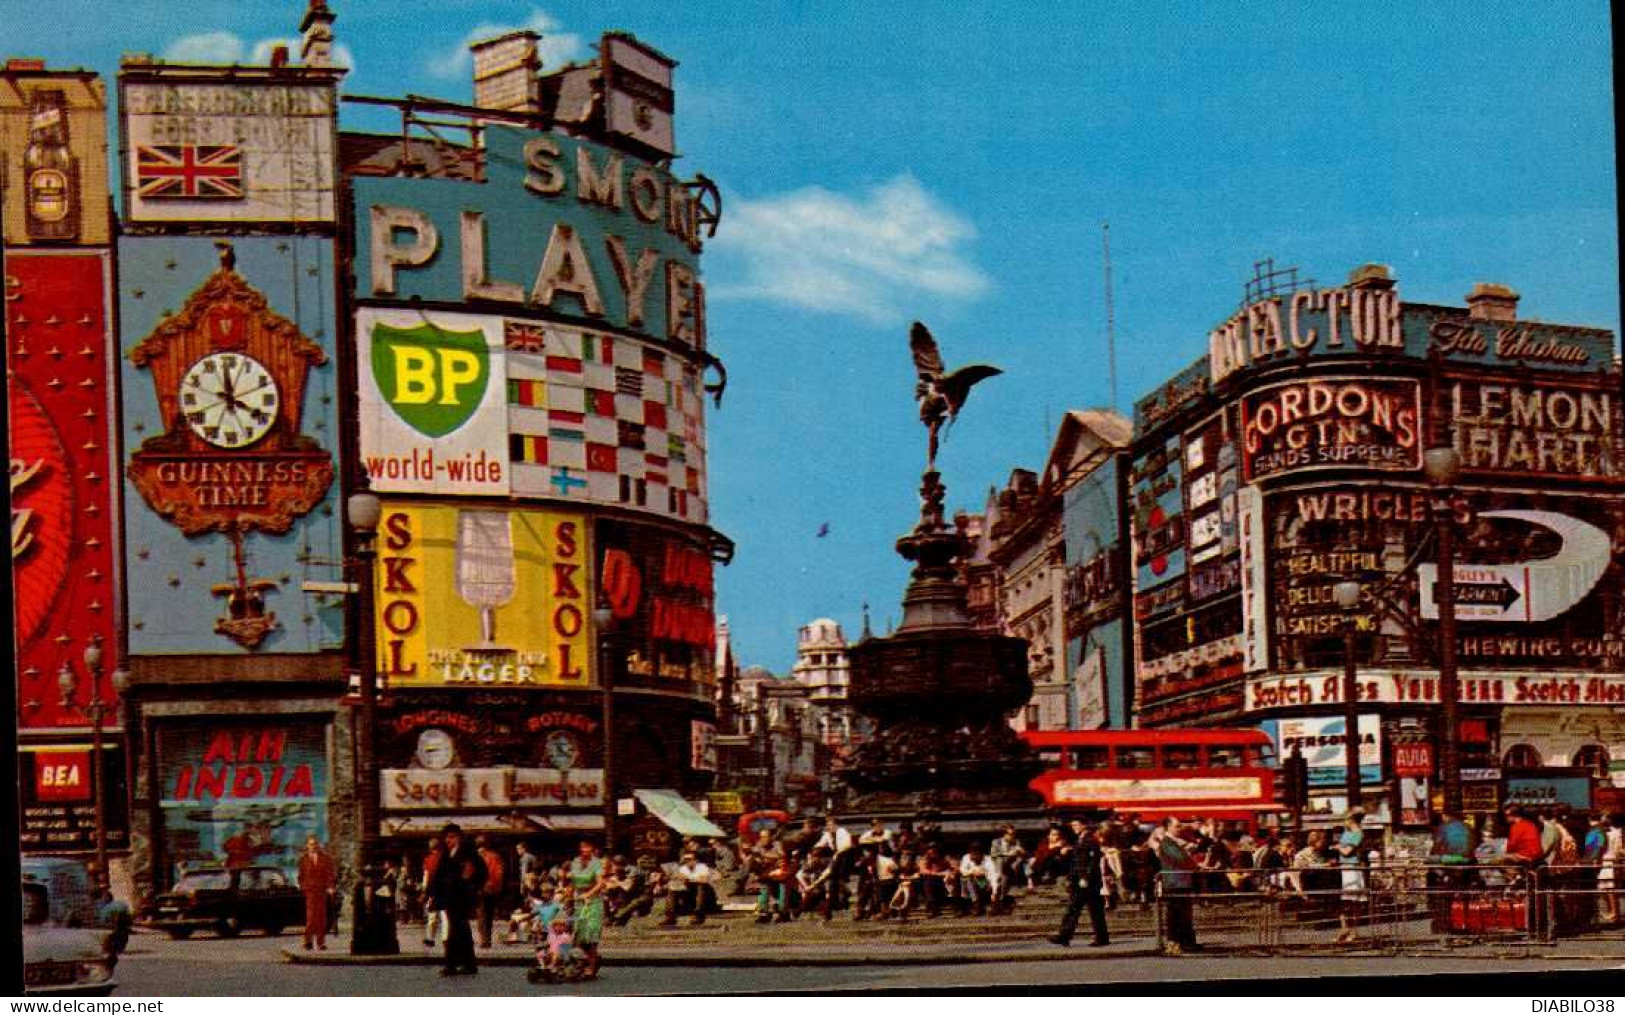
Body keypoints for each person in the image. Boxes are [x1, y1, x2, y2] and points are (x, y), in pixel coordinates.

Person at [428, 823, 484, 976]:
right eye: (446, 838)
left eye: (451, 837)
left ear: (458, 838)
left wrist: (472, 884)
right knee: (462, 931)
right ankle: (468, 964)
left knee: (455, 931)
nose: (448, 840)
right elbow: (438, 875)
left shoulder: (468, 852)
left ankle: (451, 965)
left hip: (463, 897)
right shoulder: (446, 853)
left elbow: (481, 871)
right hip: (449, 897)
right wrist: (431, 893)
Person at [1050, 820, 1108, 947]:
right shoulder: (1079, 840)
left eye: (1076, 825)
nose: (1074, 828)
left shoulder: (1091, 840)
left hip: (1088, 882)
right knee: (1079, 909)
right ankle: (1065, 936)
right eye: (1072, 826)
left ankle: (1066, 936)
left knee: (1090, 910)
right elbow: (1077, 861)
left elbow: (1093, 860)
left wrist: (1086, 877)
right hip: (1078, 881)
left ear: (1084, 825)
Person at [1154, 818, 1200, 955]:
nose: (1180, 829)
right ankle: (1174, 943)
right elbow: (1180, 859)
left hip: (1182, 881)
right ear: (1168, 827)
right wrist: (1189, 853)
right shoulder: (1167, 843)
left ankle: (1186, 942)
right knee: (1175, 915)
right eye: (1177, 826)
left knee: (1184, 914)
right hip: (1175, 882)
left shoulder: (1174, 842)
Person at [566, 840, 607, 978]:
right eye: (583, 847)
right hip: (579, 901)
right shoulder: (575, 862)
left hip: (593, 901)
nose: (585, 850)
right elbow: (571, 882)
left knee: (591, 935)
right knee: (579, 936)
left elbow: (601, 883)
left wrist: (589, 894)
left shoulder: (596, 863)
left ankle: (591, 966)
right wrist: (568, 898)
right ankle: (592, 959)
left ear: (593, 849)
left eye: (588, 847)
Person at [297, 835, 336, 952]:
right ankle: (308, 941)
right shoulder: (303, 859)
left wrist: (330, 887)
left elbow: (329, 874)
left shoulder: (325, 858)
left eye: (315, 844)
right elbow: (301, 876)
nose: (313, 846)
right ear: (307, 846)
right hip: (310, 891)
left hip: (322, 890)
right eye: (311, 844)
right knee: (311, 917)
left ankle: (321, 942)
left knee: (322, 918)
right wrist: (304, 887)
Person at [1334, 811, 1367, 944]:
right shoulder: (1347, 833)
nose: (1344, 822)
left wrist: (1337, 847)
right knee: (1346, 900)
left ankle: (1353, 931)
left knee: (1353, 900)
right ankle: (1345, 929)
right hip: (1344, 867)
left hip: (1352, 867)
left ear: (1351, 820)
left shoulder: (1357, 834)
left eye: (1346, 819)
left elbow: (1347, 851)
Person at [664, 849, 720, 926]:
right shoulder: (683, 868)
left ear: (695, 860)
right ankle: (671, 915)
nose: (687, 861)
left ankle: (698, 914)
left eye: (689, 859)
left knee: (700, 886)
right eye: (685, 859)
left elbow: (703, 880)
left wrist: (688, 879)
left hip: (706, 895)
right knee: (672, 888)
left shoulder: (702, 867)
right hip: (690, 892)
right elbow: (680, 879)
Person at [746, 829, 788, 923]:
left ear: (771, 837)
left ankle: (782, 912)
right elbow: (755, 858)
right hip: (765, 873)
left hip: (778, 872)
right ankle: (764, 913)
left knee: (782, 887)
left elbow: (781, 856)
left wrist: (765, 856)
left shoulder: (776, 844)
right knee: (764, 888)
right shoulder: (758, 845)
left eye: (766, 836)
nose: (763, 839)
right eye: (762, 837)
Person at [473, 836, 505, 948]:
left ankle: (483, 939)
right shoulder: (495, 856)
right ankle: (488, 938)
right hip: (491, 889)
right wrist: (498, 887)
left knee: (480, 914)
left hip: (478, 889)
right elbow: (499, 873)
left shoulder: (474, 857)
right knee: (489, 914)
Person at [959, 843, 1000, 916]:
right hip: (971, 885)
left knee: (978, 878)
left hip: (984, 885)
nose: (973, 857)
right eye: (972, 854)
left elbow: (993, 876)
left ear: (981, 854)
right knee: (965, 878)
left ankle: (979, 904)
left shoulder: (988, 860)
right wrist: (972, 871)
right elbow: (962, 870)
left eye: (976, 854)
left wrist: (994, 893)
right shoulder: (966, 857)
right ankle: (975, 903)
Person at [990, 825, 1028, 904]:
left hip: (1012, 866)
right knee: (1001, 861)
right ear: (1004, 834)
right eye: (1011, 834)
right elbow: (993, 855)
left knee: (1020, 860)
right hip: (999, 866)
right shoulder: (996, 842)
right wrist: (1007, 854)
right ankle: (1001, 896)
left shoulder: (1016, 842)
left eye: (1014, 834)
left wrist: (1022, 852)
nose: (1013, 836)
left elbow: (1024, 854)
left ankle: (1002, 897)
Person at [421, 835, 445, 948]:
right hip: (446, 890)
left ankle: (430, 938)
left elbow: (426, 878)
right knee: (446, 916)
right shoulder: (447, 858)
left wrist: (424, 891)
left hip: (434, 891)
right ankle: (446, 938)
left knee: (432, 916)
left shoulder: (428, 860)